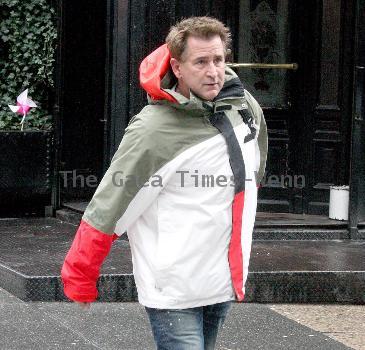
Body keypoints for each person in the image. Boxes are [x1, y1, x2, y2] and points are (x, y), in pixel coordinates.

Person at [61, 16, 268, 350]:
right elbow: (110, 203)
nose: (213, 71)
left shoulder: (243, 107)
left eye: (218, 59)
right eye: (200, 62)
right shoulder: (152, 130)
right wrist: (80, 275)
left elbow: (253, 171)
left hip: (221, 279)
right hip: (174, 289)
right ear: (178, 66)